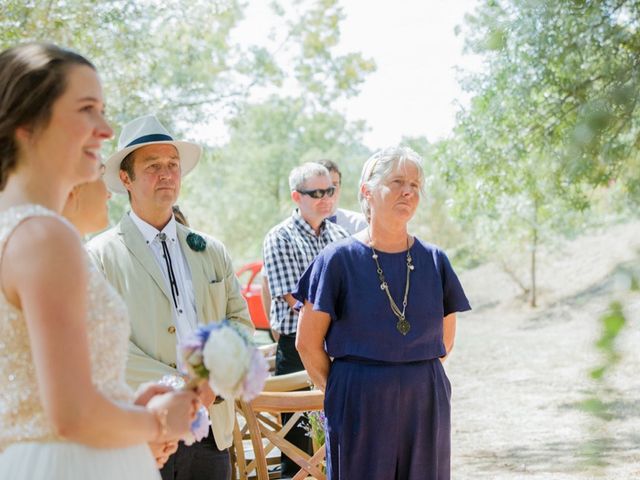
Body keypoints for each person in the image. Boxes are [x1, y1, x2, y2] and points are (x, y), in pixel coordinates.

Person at [0, 42, 197, 480]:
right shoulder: (44, 236)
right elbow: (71, 414)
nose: (106, 129)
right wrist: (159, 423)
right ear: (27, 122)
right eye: (87, 109)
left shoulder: (17, 230)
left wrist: (122, 404)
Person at [87, 114, 254, 480]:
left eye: (172, 165)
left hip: (212, 432)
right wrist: (183, 389)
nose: (166, 174)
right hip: (143, 429)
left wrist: (212, 384)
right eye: (153, 166)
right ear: (125, 178)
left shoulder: (212, 250)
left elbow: (240, 325)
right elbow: (103, 345)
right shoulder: (99, 255)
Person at [294, 146, 471, 480]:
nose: (408, 191)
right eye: (398, 181)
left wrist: (406, 378)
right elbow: (307, 343)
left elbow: (445, 341)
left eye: (415, 185)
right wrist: (348, 390)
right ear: (367, 191)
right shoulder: (337, 261)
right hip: (358, 402)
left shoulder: (436, 261)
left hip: (425, 399)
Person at [62, 167, 179, 468]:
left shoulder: (64, 248)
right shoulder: (48, 246)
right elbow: (66, 407)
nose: (110, 191)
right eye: (98, 169)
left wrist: (138, 410)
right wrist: (151, 428)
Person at [262, 162, 349, 477]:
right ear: (296, 197)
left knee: (339, 441)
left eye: (330, 190)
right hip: (296, 351)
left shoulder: (340, 235)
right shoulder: (279, 238)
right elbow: (294, 300)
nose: (326, 198)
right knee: (298, 447)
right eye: (316, 193)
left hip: (339, 347)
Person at [317, 158, 368, 234]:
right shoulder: (297, 227)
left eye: (334, 185)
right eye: (322, 186)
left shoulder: (360, 225)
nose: (328, 192)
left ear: (339, 188)